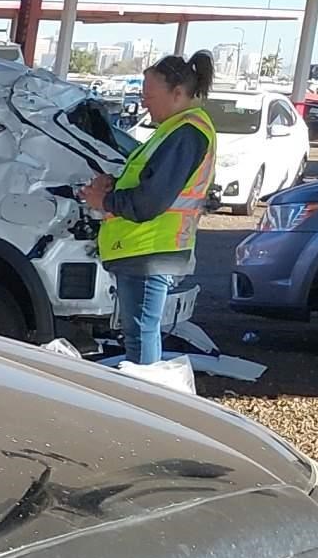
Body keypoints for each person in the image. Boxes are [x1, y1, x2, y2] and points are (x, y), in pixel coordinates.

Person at [77, 51, 217, 367]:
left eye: (149, 94)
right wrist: (113, 185)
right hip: (147, 249)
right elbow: (151, 184)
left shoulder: (186, 133)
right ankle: (143, 393)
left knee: (141, 334)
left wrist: (105, 201)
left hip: (151, 250)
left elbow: (150, 201)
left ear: (177, 93)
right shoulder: (175, 130)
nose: (144, 102)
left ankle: (144, 398)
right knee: (140, 332)